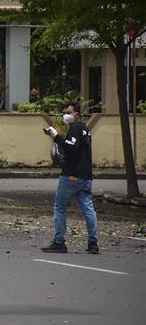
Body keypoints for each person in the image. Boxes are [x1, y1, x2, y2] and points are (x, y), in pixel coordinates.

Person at [42, 102, 99, 254]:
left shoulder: (75, 128)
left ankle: (59, 242)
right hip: (86, 176)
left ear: (77, 114)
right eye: (63, 113)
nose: (65, 115)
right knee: (88, 209)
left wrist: (56, 136)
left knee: (60, 207)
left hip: (71, 175)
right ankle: (93, 243)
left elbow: (70, 148)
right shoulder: (85, 129)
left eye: (68, 112)